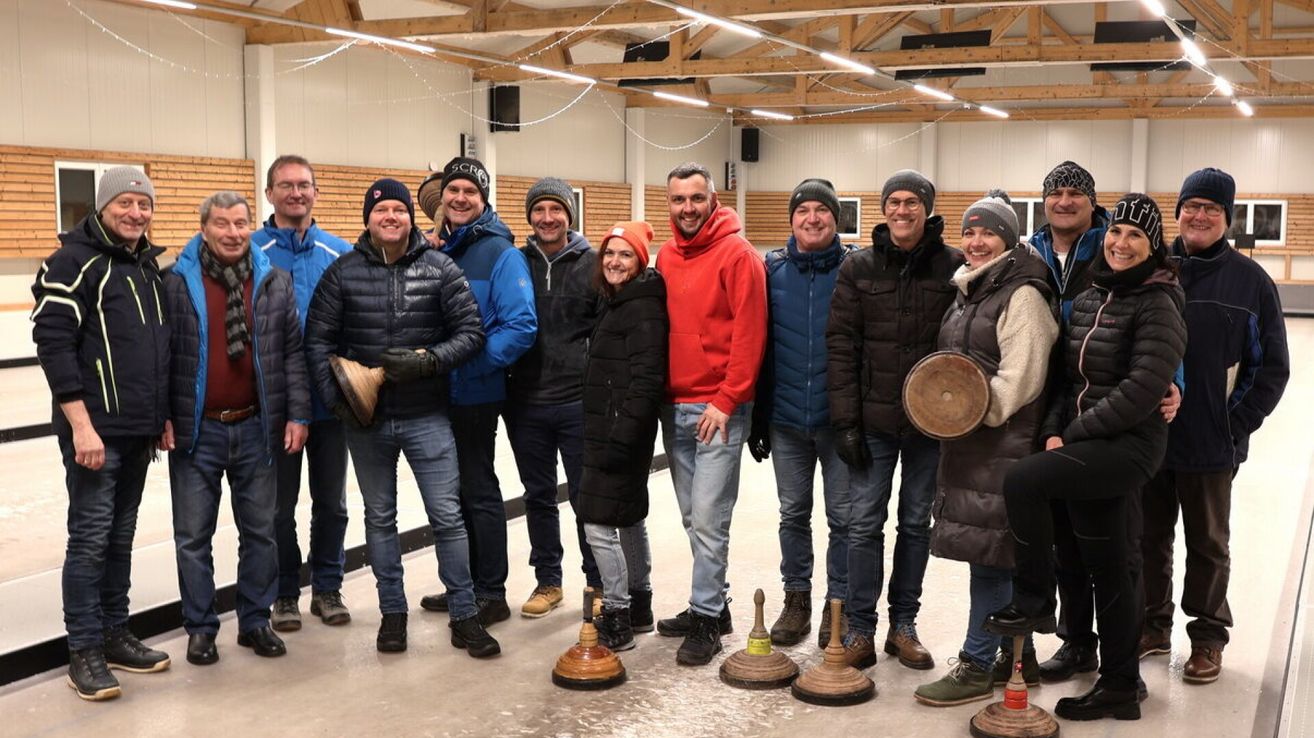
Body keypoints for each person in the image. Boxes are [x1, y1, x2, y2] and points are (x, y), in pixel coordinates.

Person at [986, 193, 1188, 722]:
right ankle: (1120, 681)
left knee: (1025, 483)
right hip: (1084, 443)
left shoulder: (1159, 301)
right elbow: (1067, 379)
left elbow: (1144, 388)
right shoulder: (1095, 294)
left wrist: (1073, 434)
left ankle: (1034, 600)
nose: (1122, 243)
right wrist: (1056, 429)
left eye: (1136, 237)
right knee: (1104, 559)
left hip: (1127, 445)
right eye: (1118, 232)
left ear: (1152, 247)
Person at [303, 178, 498, 657]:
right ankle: (393, 613)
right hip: (366, 424)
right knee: (380, 518)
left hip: (427, 416)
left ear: (412, 217)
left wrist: (429, 360)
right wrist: (339, 402)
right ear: (367, 218)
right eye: (381, 210)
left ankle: (464, 614)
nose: (391, 217)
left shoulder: (440, 268)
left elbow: (470, 333)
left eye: (399, 209)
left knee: (448, 517)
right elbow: (317, 343)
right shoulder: (342, 273)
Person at [1140, 168, 1290, 684]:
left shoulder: (1250, 283)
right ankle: (1152, 625)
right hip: (1148, 440)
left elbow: (1270, 368)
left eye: (1211, 209)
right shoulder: (1151, 269)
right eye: (1191, 206)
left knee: (1208, 543)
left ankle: (1206, 636)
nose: (1199, 216)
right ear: (1176, 211)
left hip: (1211, 442)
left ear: (1226, 218)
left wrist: (1234, 425)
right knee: (1147, 537)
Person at [911, 192, 1058, 706]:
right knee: (995, 557)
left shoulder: (1023, 296)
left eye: (988, 232)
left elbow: (1022, 378)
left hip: (1003, 445)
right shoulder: (973, 289)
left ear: (1009, 239)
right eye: (970, 232)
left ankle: (976, 665)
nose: (975, 241)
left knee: (992, 559)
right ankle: (1020, 660)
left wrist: (966, 414)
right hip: (971, 446)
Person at [32, 166, 171, 700]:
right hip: (95, 436)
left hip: (137, 434)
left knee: (119, 538)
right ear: (103, 205)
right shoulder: (71, 261)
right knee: (89, 542)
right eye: (126, 203)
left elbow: (155, 351)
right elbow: (54, 346)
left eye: (144, 204)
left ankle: (115, 633)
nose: (136, 212)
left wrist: (160, 417)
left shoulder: (145, 267)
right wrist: (81, 428)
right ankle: (84, 650)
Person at [162, 191, 310, 666]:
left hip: (255, 429)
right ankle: (201, 628)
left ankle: (254, 621)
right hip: (196, 431)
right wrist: (162, 416)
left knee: (261, 531)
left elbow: (292, 354)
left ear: (251, 226)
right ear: (203, 228)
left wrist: (298, 414)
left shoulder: (274, 281)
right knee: (192, 536)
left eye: (240, 223)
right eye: (221, 224)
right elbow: (162, 359)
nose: (232, 233)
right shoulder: (176, 282)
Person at [826, 169, 963, 671]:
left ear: (927, 208)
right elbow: (841, 345)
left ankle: (903, 625)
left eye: (911, 202)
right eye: (893, 202)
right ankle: (861, 628)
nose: (901, 211)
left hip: (932, 426)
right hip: (873, 423)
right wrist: (845, 422)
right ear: (882, 209)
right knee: (863, 524)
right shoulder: (858, 267)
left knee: (914, 524)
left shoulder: (954, 264)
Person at [415, 158, 538, 625]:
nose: (460, 198)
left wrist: (466, 366)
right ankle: (461, 585)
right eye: (453, 190)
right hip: (434, 394)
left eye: (470, 190)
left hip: (474, 394)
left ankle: (491, 591)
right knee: (449, 496)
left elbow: (520, 326)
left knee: (478, 489)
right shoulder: (434, 249)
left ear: (483, 199)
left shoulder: (499, 253)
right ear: (441, 198)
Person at [653, 162, 767, 666]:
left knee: (709, 520)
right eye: (678, 200)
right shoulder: (665, 255)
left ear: (713, 200)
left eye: (696, 198)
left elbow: (750, 333)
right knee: (690, 517)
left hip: (717, 409)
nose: (688, 208)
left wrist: (727, 400)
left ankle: (705, 619)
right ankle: (714, 605)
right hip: (674, 405)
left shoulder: (738, 254)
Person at [746, 178, 853, 648]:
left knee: (845, 519)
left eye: (822, 210)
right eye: (803, 209)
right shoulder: (772, 271)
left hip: (840, 422)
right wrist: (757, 415)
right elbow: (758, 346)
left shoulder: (855, 270)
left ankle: (842, 605)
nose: (813, 218)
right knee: (793, 514)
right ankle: (796, 599)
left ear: (836, 217)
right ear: (791, 219)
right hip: (787, 421)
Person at [251, 155, 354, 632]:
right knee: (277, 508)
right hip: (273, 409)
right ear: (269, 193)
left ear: (316, 192)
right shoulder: (251, 250)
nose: (296, 192)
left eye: (304, 185)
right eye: (286, 185)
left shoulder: (341, 252)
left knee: (331, 503)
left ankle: (328, 586)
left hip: (330, 405)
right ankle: (285, 593)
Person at [505, 177, 603, 619]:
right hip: (526, 403)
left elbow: (604, 332)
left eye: (556, 210)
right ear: (530, 216)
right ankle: (548, 580)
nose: (547, 218)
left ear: (569, 215)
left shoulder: (593, 263)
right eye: (539, 210)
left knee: (586, 496)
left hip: (577, 403)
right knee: (538, 495)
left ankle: (597, 581)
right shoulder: (515, 261)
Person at [576, 221, 667, 651]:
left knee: (596, 521)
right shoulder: (618, 301)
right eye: (609, 253)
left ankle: (616, 613)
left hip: (617, 433)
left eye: (624, 254)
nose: (614, 261)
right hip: (611, 428)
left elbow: (647, 381)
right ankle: (640, 603)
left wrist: (622, 436)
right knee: (628, 516)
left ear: (639, 261)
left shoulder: (641, 308)